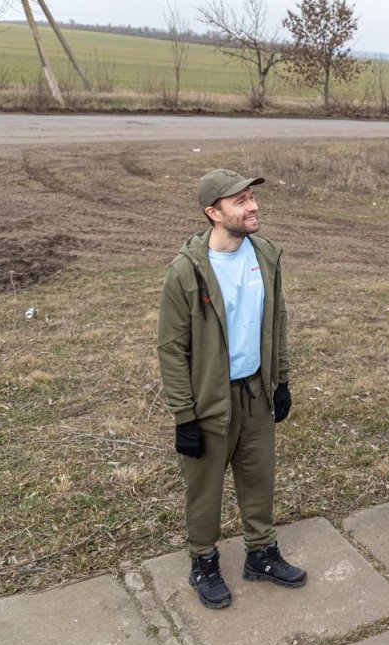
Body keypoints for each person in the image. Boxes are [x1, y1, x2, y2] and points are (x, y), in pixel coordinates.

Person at [157, 169, 306, 610]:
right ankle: (203, 560)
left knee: (259, 477)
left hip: (256, 392)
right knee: (203, 489)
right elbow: (171, 349)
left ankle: (260, 552)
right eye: (240, 201)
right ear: (213, 213)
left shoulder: (264, 254)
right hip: (209, 401)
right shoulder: (186, 272)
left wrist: (281, 381)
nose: (253, 206)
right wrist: (185, 416)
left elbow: (276, 322)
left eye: (251, 198)